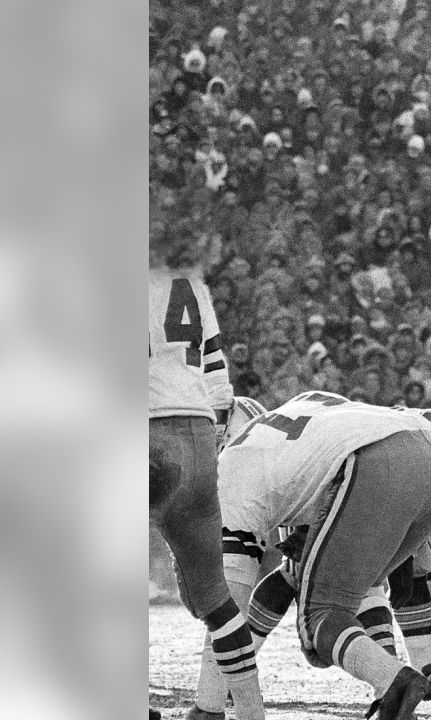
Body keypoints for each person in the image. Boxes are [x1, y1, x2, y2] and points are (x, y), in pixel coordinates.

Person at [190, 391, 431, 720]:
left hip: (367, 464)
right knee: (360, 582)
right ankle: (393, 683)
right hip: (424, 463)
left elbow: (228, 605)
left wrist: (209, 706)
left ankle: (391, 680)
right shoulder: (308, 403)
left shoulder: (231, 468)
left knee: (317, 618)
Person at [150, 241, 266, 720]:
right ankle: (251, 714)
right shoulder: (189, 277)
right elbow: (218, 375)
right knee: (216, 596)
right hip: (197, 427)